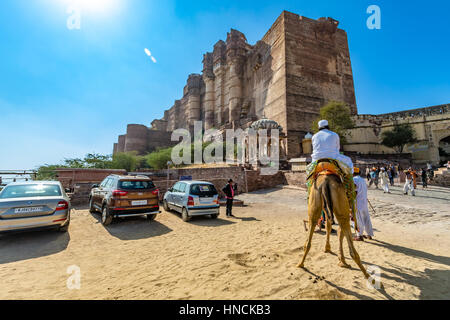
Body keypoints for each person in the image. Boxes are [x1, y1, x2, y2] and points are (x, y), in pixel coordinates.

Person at [353, 168, 374, 241]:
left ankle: (359, 235)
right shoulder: (363, 180)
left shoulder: (354, 180)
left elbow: (354, 192)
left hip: (358, 202)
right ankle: (369, 234)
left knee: (359, 219)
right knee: (366, 219)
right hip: (364, 202)